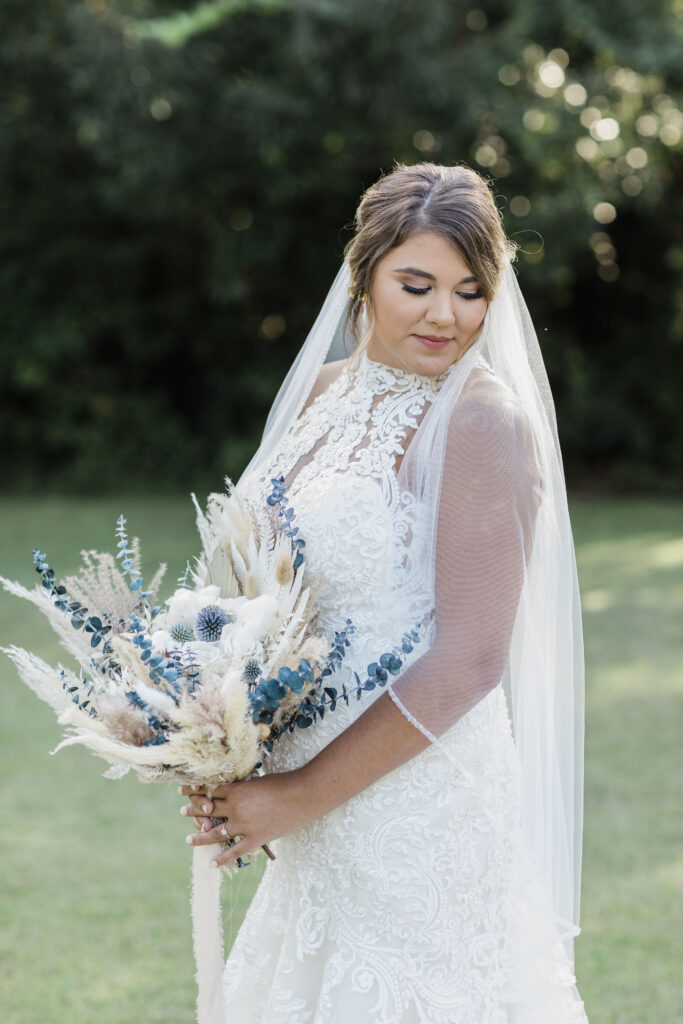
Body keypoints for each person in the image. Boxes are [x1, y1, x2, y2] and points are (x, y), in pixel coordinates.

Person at [179, 161, 590, 1023]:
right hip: (311, 815)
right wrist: (215, 737)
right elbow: (265, 593)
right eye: (417, 284)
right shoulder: (322, 394)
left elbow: (472, 660)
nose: (446, 315)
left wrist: (293, 796)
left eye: (471, 291)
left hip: (415, 810)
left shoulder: (479, 423)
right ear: (363, 275)